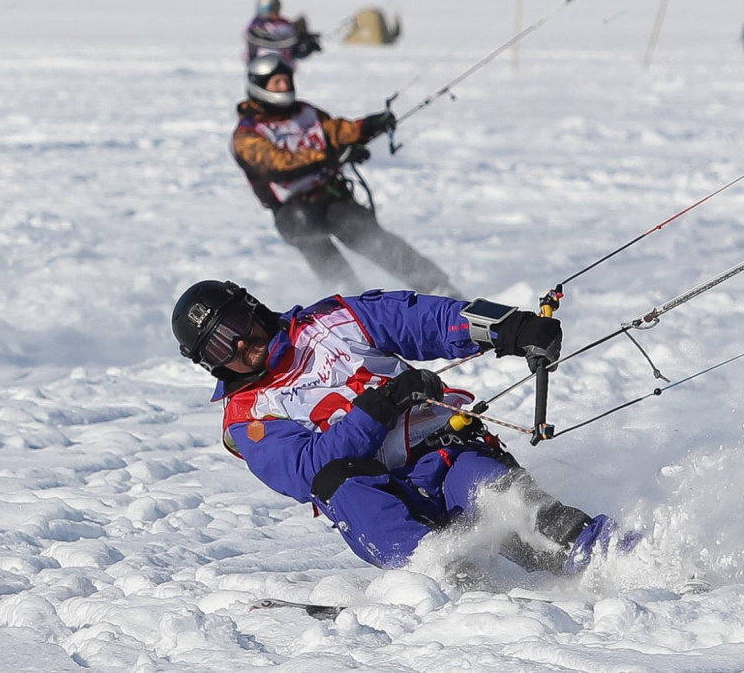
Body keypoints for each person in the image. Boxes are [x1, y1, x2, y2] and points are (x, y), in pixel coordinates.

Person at [171, 281, 638, 576]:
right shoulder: (246, 417)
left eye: (233, 325)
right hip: (379, 501)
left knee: (516, 508)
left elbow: (420, 319)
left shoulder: (332, 320)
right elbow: (307, 467)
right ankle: (442, 575)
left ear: (251, 307)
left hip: (446, 451)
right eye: (217, 349)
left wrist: (509, 328)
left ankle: (630, 560)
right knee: (334, 479)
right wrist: (382, 404)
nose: (239, 345)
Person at [231, 54, 460, 297]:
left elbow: (336, 132)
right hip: (293, 210)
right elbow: (279, 165)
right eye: (276, 83)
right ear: (259, 86)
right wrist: (331, 155)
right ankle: (354, 304)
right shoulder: (247, 135)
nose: (284, 87)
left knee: (375, 240)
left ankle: (438, 288)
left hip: (331, 195)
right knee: (314, 242)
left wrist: (367, 127)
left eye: (286, 80)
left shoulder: (306, 112)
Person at [245, 0, 321, 65]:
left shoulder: (283, 23)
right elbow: (273, 43)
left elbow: (293, 46)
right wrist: (296, 39)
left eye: (277, 9)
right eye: (274, 10)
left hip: (284, 67)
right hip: (261, 67)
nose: (277, 13)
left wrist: (306, 40)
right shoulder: (256, 27)